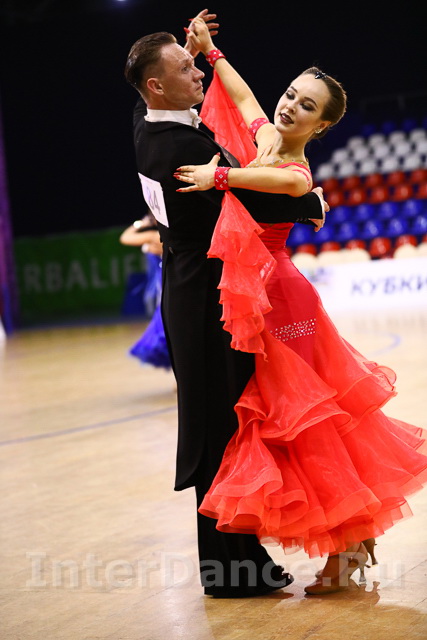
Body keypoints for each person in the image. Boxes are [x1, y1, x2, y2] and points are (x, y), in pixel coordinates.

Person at [172, 18, 427, 595]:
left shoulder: (295, 173)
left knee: (311, 427)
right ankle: (352, 540)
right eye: (290, 94)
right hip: (255, 301)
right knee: (292, 427)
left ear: (323, 125)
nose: (289, 107)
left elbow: (268, 185)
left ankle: (347, 544)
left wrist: (218, 175)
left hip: (284, 305)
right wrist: (212, 53)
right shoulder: (265, 138)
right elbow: (244, 98)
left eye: (306, 106)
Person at [124, 9, 331, 598]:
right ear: (156, 86)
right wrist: (310, 204)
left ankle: (240, 558)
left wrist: (200, 53)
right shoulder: (181, 147)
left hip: (192, 286)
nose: (196, 75)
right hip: (207, 298)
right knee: (220, 429)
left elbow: (237, 103)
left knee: (221, 424)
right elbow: (254, 201)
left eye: (193, 66)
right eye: (184, 70)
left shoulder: (148, 123)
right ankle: (230, 570)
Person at [120, 212, 171, 370]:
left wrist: (141, 223)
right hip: (165, 290)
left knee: (169, 336)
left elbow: (125, 237)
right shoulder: (165, 236)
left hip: (167, 290)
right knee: (171, 336)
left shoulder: (154, 236)